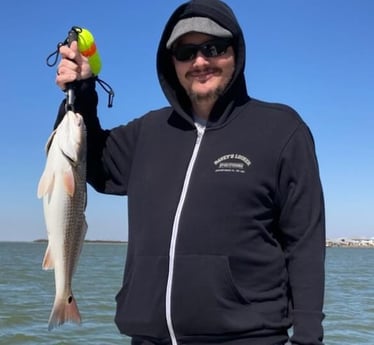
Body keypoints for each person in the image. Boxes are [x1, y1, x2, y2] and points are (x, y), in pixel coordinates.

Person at [55, 0, 325, 344]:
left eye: (214, 48)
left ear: (236, 51)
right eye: (186, 51)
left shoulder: (282, 130)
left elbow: (305, 244)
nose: (200, 61)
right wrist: (81, 91)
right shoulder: (147, 132)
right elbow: (86, 160)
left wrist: (308, 338)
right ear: (172, 62)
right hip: (147, 338)